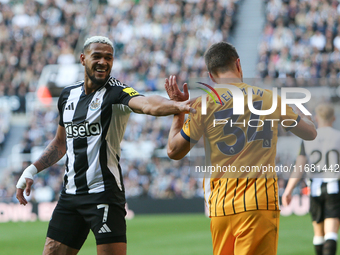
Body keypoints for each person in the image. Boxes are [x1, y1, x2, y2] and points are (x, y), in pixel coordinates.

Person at [15, 36, 193, 255]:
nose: (103, 62)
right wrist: (32, 169)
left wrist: (176, 105)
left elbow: (147, 104)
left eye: (108, 58)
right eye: (97, 56)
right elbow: (60, 143)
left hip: (105, 195)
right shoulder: (67, 96)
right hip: (70, 196)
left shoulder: (116, 92)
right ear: (82, 59)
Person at [165, 41, 317, 255]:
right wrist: (304, 117)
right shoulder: (268, 98)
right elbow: (310, 133)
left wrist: (178, 111)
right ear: (238, 64)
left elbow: (174, 151)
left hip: (220, 209)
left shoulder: (202, 104)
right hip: (258, 205)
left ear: (210, 76)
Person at [282, 103, 340, 255]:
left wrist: (288, 190)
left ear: (316, 118)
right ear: (333, 118)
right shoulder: (338, 137)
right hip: (334, 186)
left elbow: (299, 167)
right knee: (331, 233)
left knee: (318, 233)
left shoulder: (309, 137)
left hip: (314, 188)